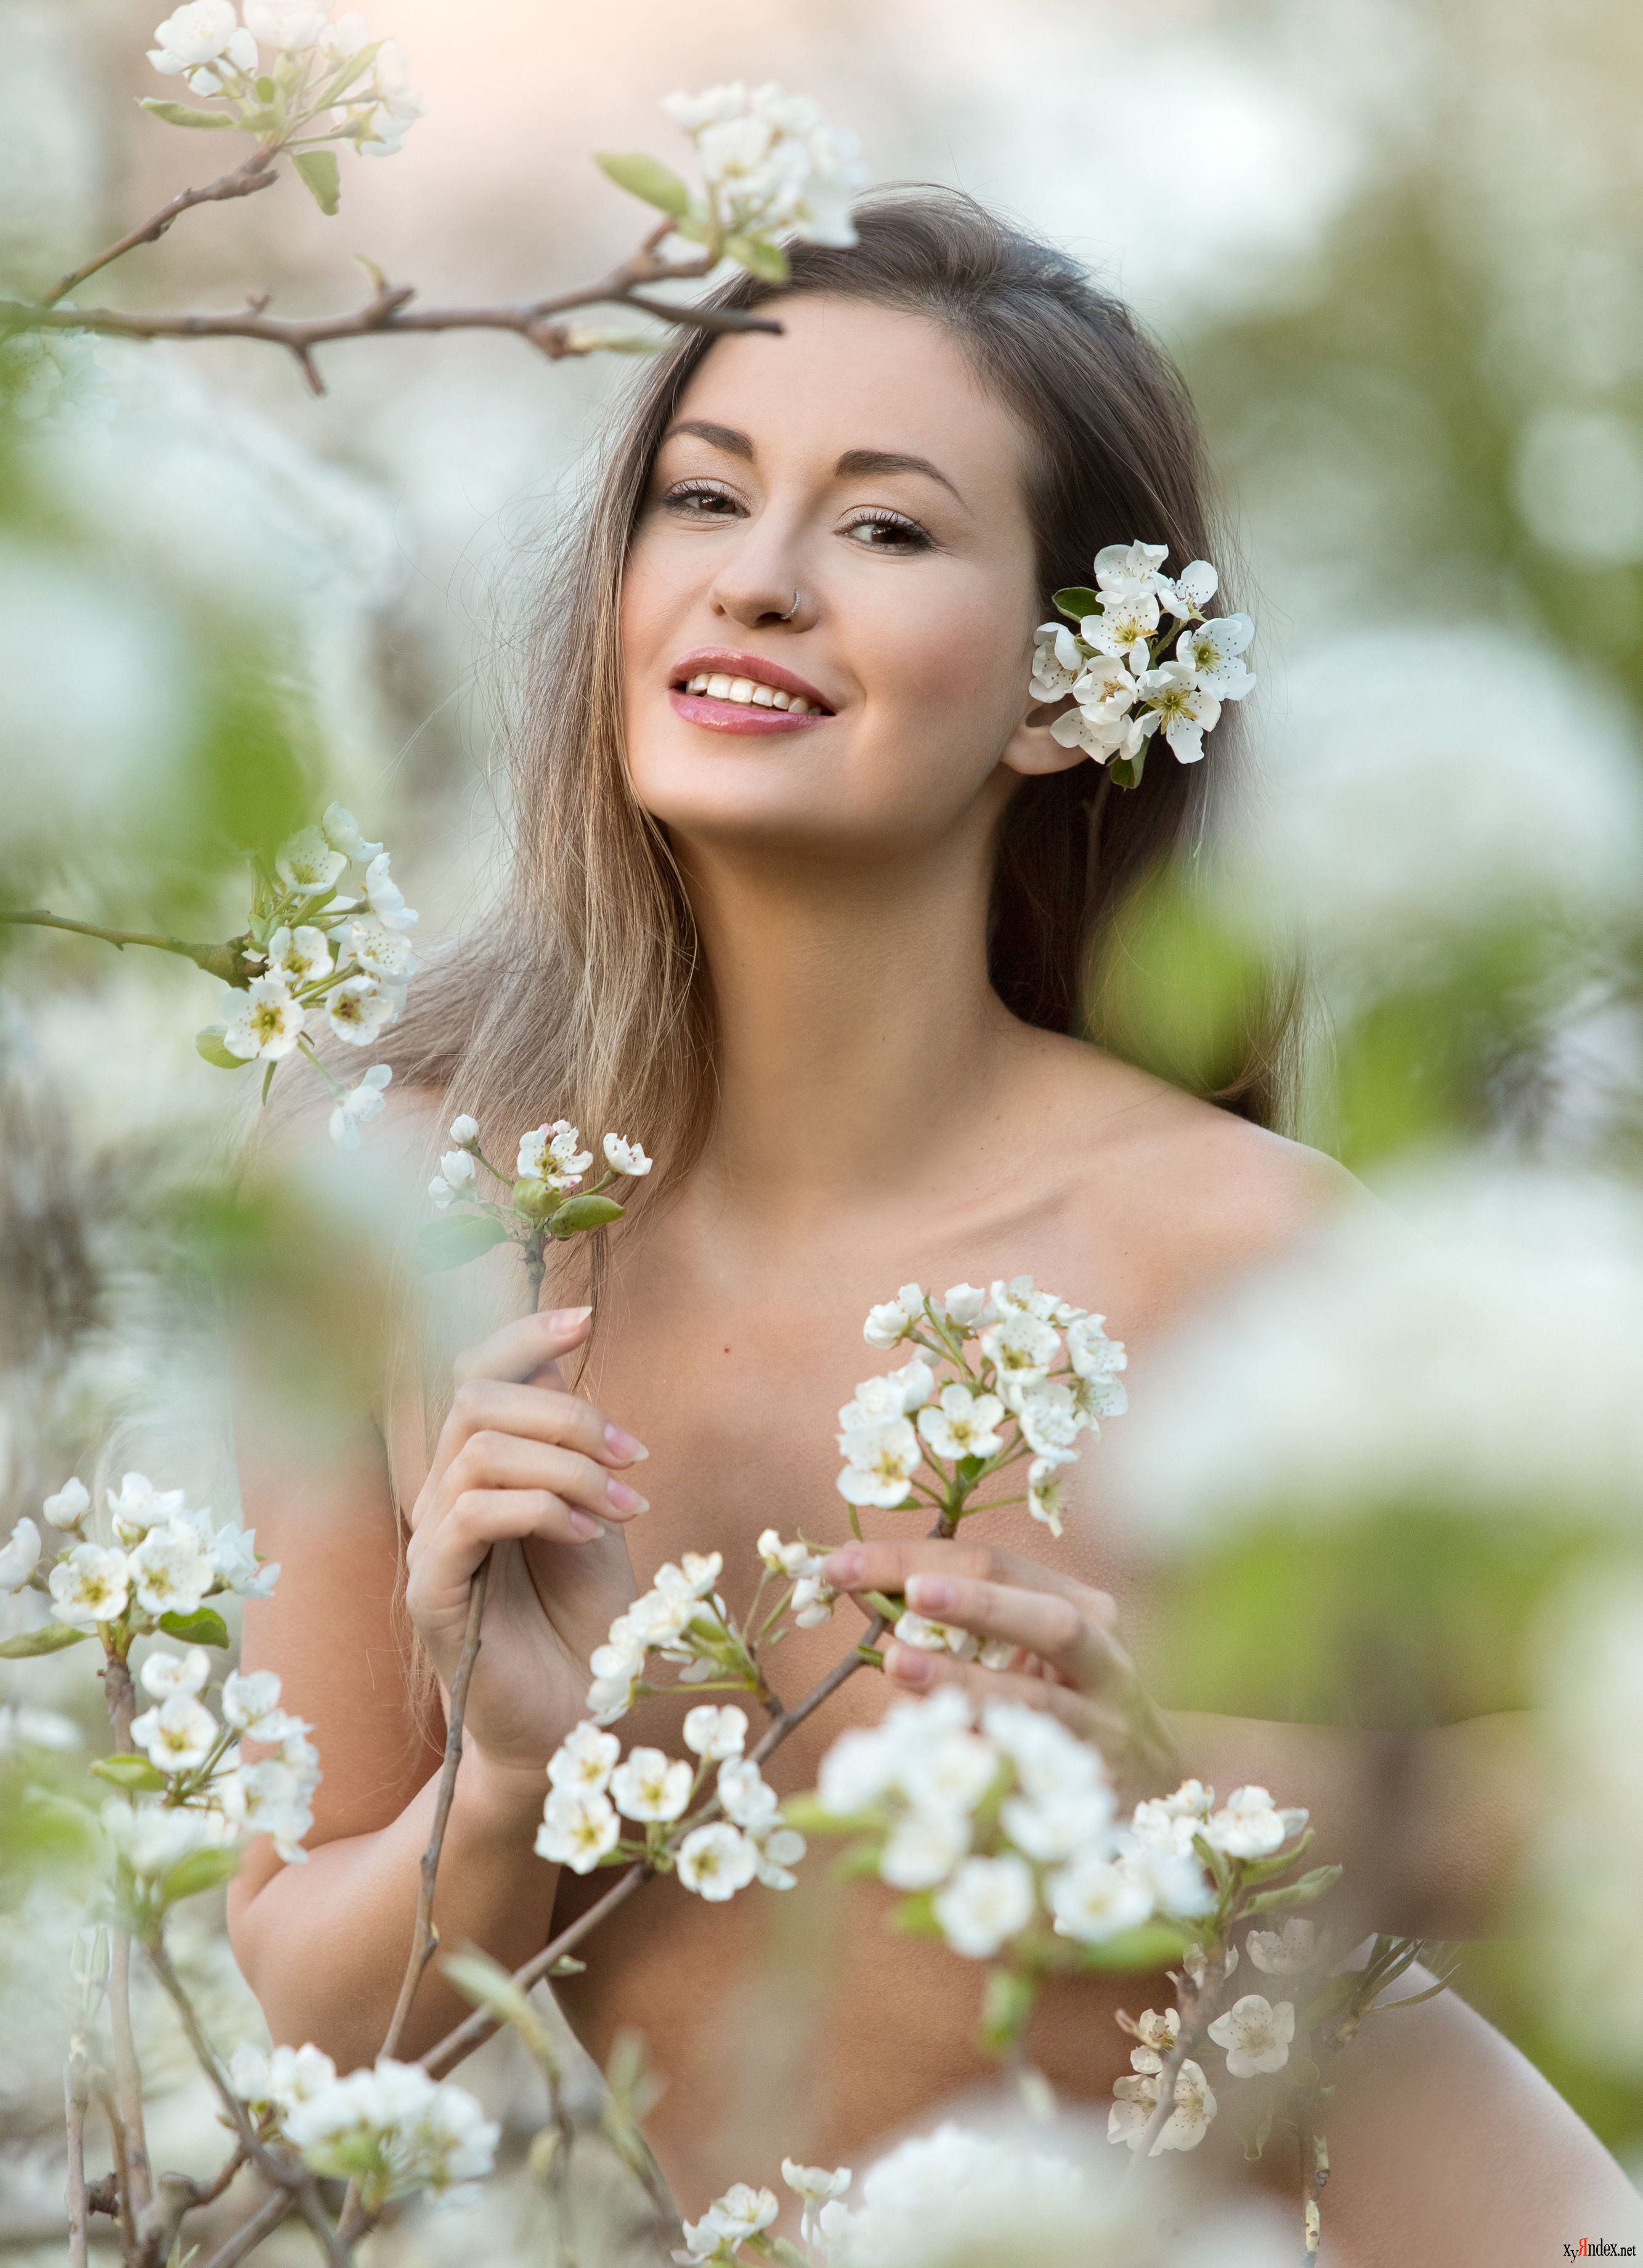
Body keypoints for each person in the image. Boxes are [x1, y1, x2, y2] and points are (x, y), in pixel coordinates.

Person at [227, 192, 1641, 2258]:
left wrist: (1188, 1754)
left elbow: (1568, 1798)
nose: (762, 582)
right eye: (702, 498)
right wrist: (509, 1781)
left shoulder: (1251, 1251)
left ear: (1073, 694)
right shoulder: (375, 1196)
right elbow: (320, 2049)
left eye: (884, 528)